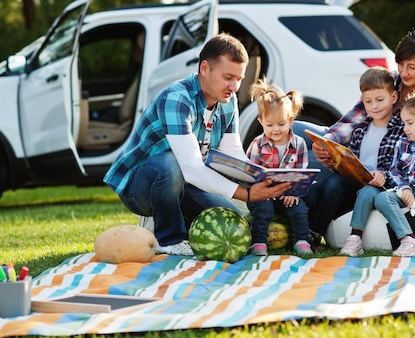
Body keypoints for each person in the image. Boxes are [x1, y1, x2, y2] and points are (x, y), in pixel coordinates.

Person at [103, 33, 291, 257]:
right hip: (140, 187)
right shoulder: (177, 99)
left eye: (239, 79)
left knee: (234, 221)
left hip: (185, 183)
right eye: (228, 77)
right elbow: (191, 168)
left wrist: (262, 178)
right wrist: (247, 195)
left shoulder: (228, 102)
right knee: (170, 163)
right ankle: (169, 239)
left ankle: (170, 220)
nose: (234, 86)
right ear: (205, 68)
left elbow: (232, 154)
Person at [301, 29, 415, 247]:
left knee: (325, 182)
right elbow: (353, 120)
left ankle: (308, 230)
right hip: (362, 160)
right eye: (401, 64)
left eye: (412, 67)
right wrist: (328, 143)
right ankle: (294, 223)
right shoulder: (389, 82)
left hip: (389, 173)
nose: (404, 73)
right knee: (300, 134)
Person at [341, 88, 415, 257]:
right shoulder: (403, 143)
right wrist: (404, 188)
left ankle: (409, 240)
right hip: (400, 189)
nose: (405, 128)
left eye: (410, 123)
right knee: (367, 192)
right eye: (404, 123)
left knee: (382, 198)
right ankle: (355, 237)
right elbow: (394, 170)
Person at [245, 78, 313, 256]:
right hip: (262, 194)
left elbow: (302, 174)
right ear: (261, 122)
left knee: (299, 210)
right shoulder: (257, 144)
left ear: (290, 120)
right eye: (269, 125)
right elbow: (249, 172)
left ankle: (301, 240)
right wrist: (260, 186)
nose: (275, 129)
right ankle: (258, 242)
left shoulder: (299, 144)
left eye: (281, 124)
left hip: (287, 194)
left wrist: (294, 192)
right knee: (263, 210)